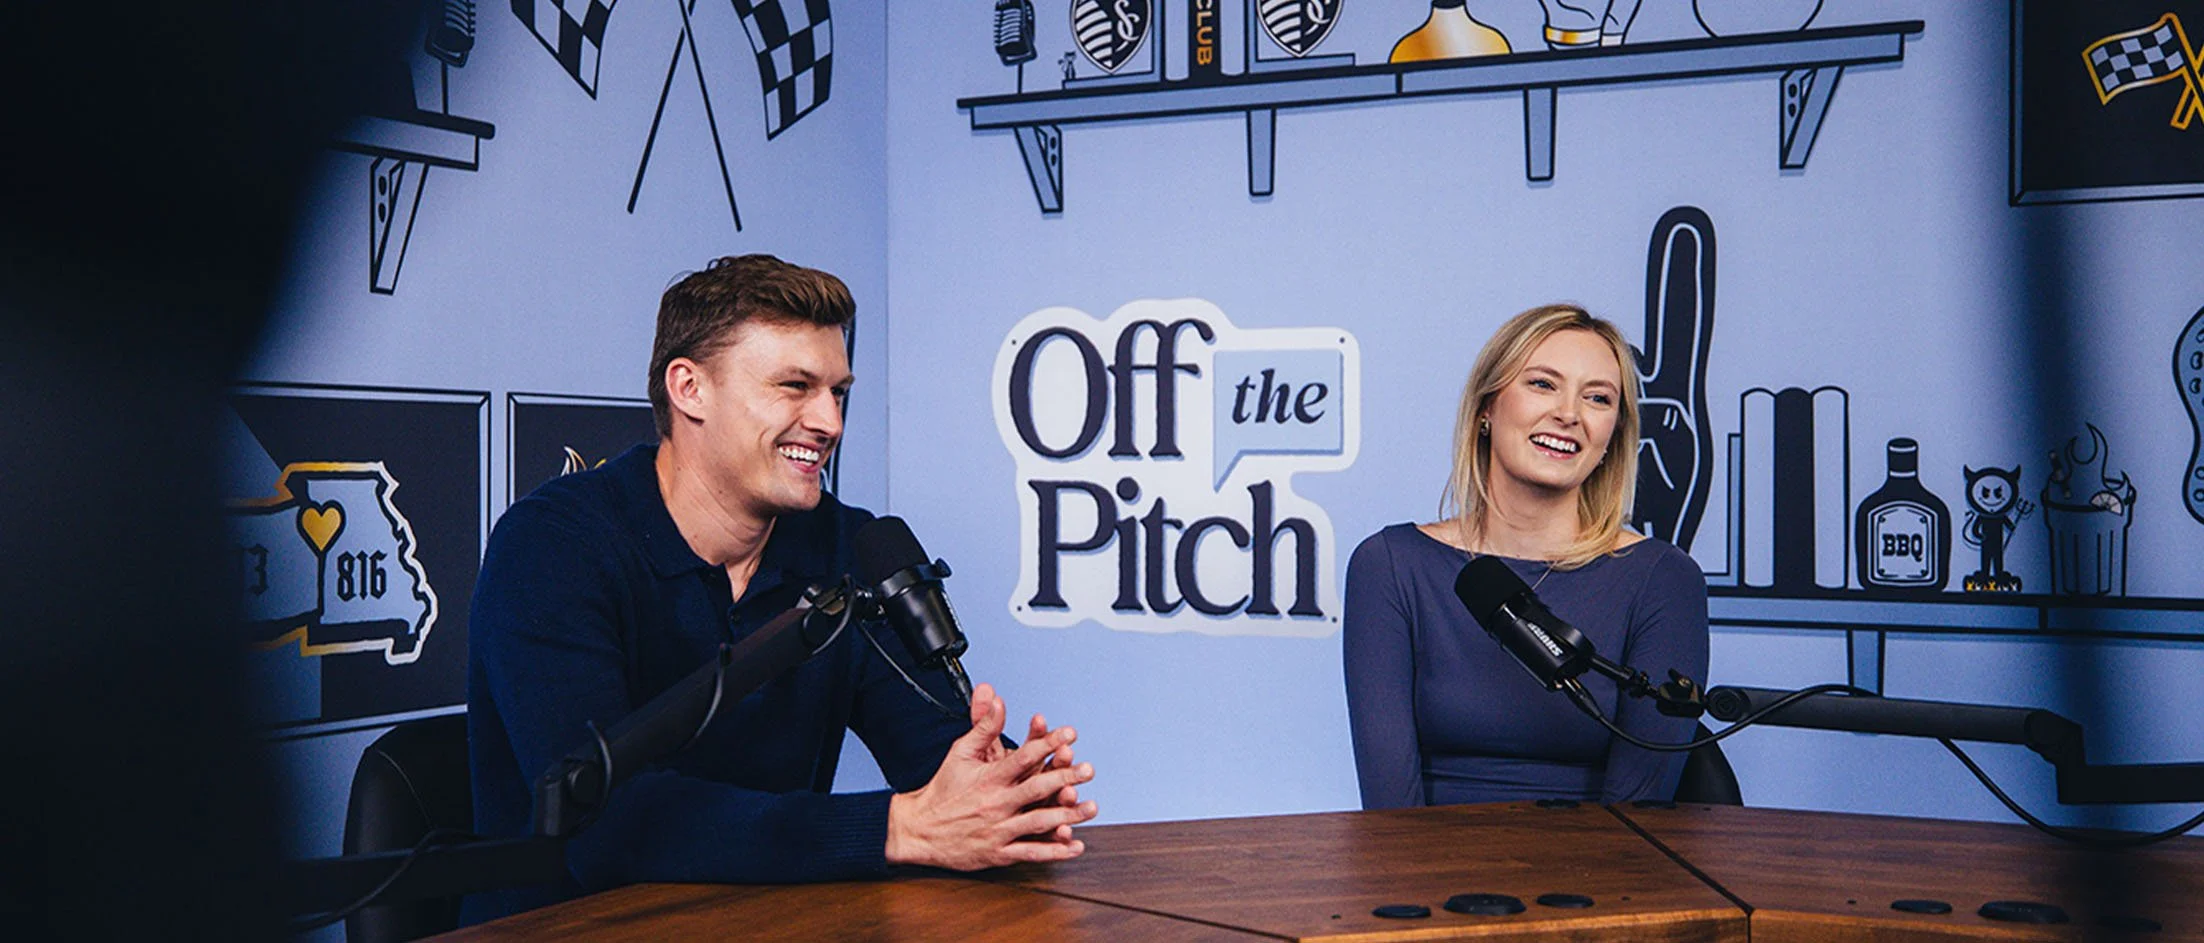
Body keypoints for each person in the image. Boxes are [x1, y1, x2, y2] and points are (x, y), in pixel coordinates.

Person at [464, 255, 1097, 923]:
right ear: (690, 389)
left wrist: (1001, 792)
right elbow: (604, 822)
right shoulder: (552, 548)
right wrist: (894, 828)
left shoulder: (846, 547)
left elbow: (931, 758)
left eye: (838, 392)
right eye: (795, 386)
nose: (830, 422)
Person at [1343, 303, 1708, 808]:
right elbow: (1390, 810)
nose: (1569, 414)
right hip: (1425, 855)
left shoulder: (1664, 579)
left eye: (1597, 398)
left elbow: (1640, 810)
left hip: (1603, 857)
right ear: (1486, 407)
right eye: (1542, 384)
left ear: (1613, 435)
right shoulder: (1390, 566)